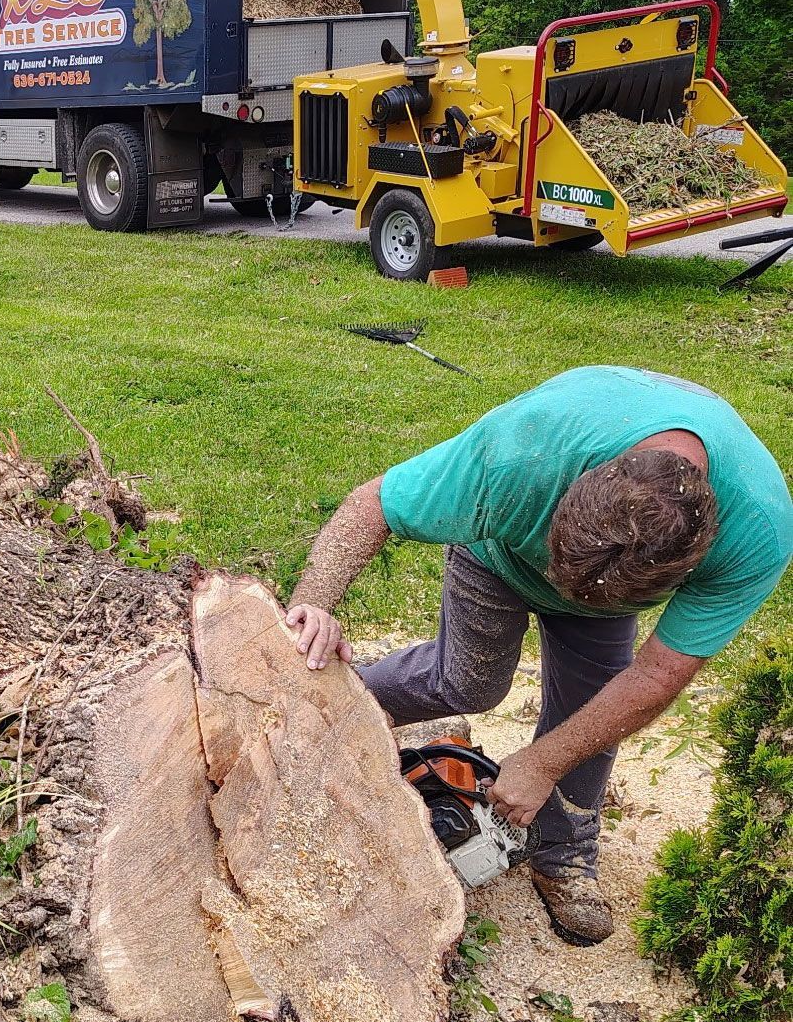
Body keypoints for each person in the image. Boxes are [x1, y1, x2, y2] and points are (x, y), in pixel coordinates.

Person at [284, 366, 793, 945]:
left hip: (608, 606)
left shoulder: (757, 531)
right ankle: (325, 709)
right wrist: (314, 602)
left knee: (591, 715)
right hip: (498, 558)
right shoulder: (523, 451)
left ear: (694, 558)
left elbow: (658, 673)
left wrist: (544, 762)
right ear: (574, 489)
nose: (558, 585)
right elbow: (371, 506)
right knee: (467, 684)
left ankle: (563, 852)